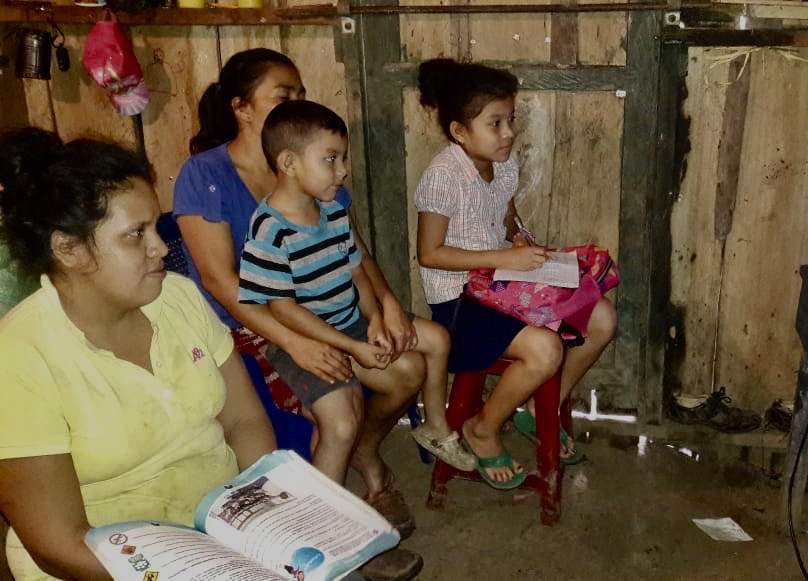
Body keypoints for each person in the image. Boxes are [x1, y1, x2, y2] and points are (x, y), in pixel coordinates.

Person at [173, 48, 422, 579]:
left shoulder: (316, 168)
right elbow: (221, 282)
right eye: (283, 94)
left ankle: (364, 455)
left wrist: (388, 306)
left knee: (408, 370)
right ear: (242, 107)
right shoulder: (206, 175)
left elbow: (353, 253)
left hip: (322, 314)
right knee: (341, 409)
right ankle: (336, 536)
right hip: (247, 325)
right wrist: (298, 342)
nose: (297, 101)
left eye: (301, 93)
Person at [0, 127, 277, 580]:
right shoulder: (19, 357)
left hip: (219, 537)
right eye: (135, 234)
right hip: (110, 568)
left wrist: (260, 519)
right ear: (68, 249)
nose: (161, 247)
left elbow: (245, 421)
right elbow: (58, 546)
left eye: (155, 227)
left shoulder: (178, 297)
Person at [238, 99, 476, 485]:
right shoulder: (269, 229)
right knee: (341, 425)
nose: (343, 171)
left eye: (343, 158)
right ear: (289, 163)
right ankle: (327, 512)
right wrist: (351, 347)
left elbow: (357, 274)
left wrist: (377, 317)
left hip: (351, 323)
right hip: (306, 341)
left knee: (436, 339)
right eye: (330, 159)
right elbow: (282, 310)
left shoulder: (332, 210)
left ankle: (435, 426)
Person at [414, 58, 618, 489]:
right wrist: (504, 258)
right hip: (460, 304)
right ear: (459, 131)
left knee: (602, 317)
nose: (508, 133)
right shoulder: (442, 177)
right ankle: (482, 429)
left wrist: (519, 238)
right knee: (545, 350)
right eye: (495, 124)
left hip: (500, 287)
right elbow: (430, 254)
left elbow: (506, 218)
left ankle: (539, 407)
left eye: (511, 120)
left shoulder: (502, 163)